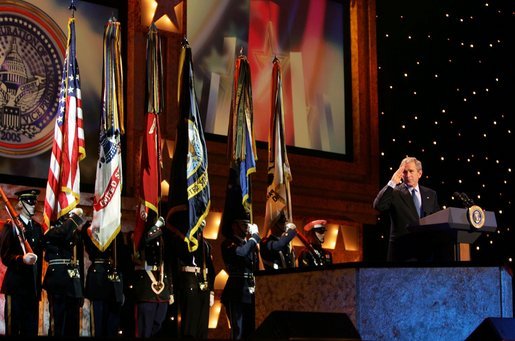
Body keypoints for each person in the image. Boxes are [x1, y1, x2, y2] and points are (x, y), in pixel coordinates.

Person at [373, 156, 452, 262]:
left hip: (426, 254)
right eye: (404, 172)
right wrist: (392, 182)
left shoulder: (430, 194)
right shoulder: (394, 192)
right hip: (402, 253)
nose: (408, 175)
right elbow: (378, 206)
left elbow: (436, 220)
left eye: (411, 171)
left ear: (419, 173)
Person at [0, 189, 44, 336]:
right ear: (20, 204)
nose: (32, 205)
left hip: (32, 289)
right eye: (28, 202)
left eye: (34, 201)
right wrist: (21, 259)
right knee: (13, 328)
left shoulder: (38, 229)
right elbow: (5, 256)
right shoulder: (10, 226)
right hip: (16, 288)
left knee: (31, 330)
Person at [43, 207, 86, 337]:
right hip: (58, 281)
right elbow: (62, 233)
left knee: (73, 324)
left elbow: (80, 263)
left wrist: (81, 290)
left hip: (73, 282)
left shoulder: (75, 234)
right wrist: (75, 217)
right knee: (58, 322)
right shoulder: (51, 230)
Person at [168, 220, 215, 339]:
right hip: (189, 283)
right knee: (190, 325)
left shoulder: (206, 245)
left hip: (203, 285)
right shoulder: (182, 242)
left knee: (202, 326)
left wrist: (212, 291)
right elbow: (174, 265)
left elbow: (211, 270)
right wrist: (171, 289)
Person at [131, 216, 173, 338]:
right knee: (144, 328)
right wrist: (155, 227)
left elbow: (168, 262)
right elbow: (144, 241)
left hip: (162, 288)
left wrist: (171, 291)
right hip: (146, 289)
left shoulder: (163, 237)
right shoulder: (139, 235)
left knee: (158, 323)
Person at [82, 221, 124, 337]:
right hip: (98, 278)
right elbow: (89, 244)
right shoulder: (90, 227)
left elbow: (121, 252)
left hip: (113, 277)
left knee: (112, 323)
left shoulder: (115, 229)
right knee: (98, 323)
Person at [220, 219, 260, 339]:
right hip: (236, 291)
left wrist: (253, 241)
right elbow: (241, 253)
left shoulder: (249, 243)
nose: (247, 227)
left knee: (250, 332)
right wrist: (254, 238)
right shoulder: (228, 243)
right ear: (234, 226)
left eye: (248, 224)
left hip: (250, 292)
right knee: (238, 332)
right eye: (244, 224)